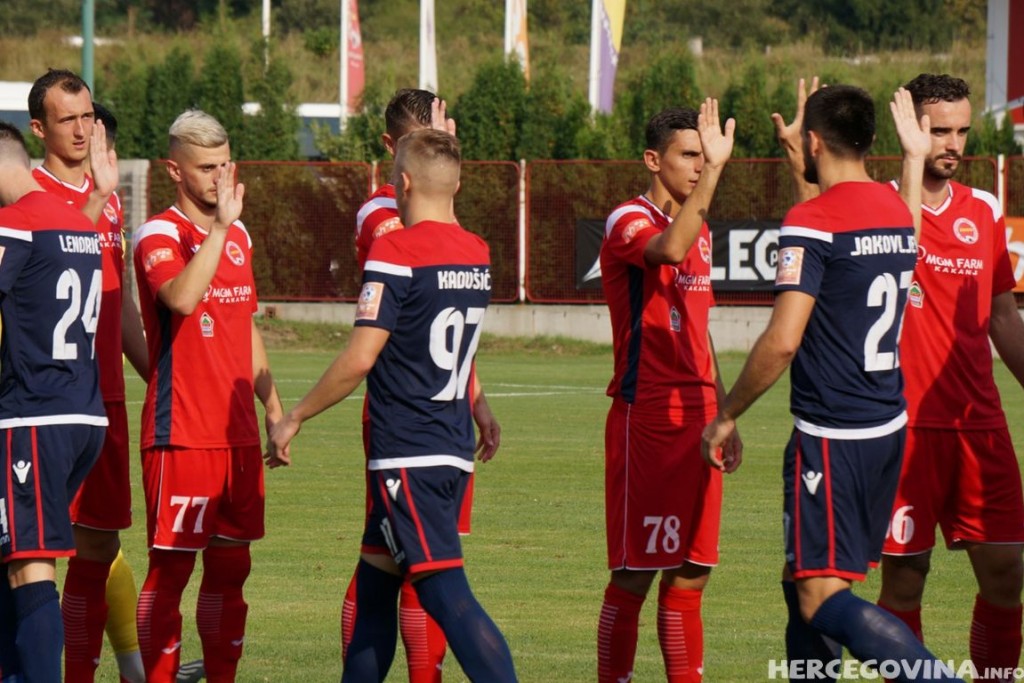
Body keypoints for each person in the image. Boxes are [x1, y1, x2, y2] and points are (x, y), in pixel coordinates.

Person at [702, 84, 963, 682]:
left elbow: (783, 339)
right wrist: (913, 159)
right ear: (871, 140)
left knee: (823, 598)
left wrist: (727, 413)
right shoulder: (897, 210)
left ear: (815, 140)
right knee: (805, 583)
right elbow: (892, 235)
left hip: (833, 435)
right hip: (886, 428)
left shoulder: (811, 221)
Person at [267, 128, 517, 682]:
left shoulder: (396, 249)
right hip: (450, 448)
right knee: (376, 593)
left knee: (447, 593)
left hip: (409, 451)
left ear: (401, 182)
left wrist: (295, 416)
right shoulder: (477, 252)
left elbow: (361, 358)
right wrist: (482, 406)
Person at [347, 87, 499, 683]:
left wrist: (296, 413)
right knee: (379, 581)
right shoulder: (389, 221)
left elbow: (371, 348)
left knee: (438, 588)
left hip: (415, 431)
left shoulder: (405, 238)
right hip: (422, 424)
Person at [877, 74, 1024, 680]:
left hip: (978, 424)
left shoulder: (984, 210)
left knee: (1008, 571)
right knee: (906, 579)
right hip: (904, 429)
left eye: (963, 131)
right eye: (940, 130)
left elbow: (1002, 316)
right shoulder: (881, 207)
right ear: (910, 128)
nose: (953, 143)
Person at [132, 109, 284, 682]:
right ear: (175, 170)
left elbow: (244, 325)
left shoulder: (239, 234)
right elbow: (180, 299)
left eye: (225, 165)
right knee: (169, 572)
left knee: (231, 570)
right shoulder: (160, 233)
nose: (218, 178)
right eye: (205, 168)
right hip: (182, 437)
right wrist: (218, 229)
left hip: (238, 436)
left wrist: (272, 410)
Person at [596, 100, 739, 683]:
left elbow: (700, 330)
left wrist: (727, 413)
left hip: (700, 415)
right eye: (690, 156)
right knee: (635, 573)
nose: (701, 167)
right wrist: (717, 179)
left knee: (692, 571)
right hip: (647, 417)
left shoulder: (699, 227)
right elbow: (669, 249)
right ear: (653, 160)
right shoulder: (627, 219)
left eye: (706, 158)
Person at [27, 69, 149, 683]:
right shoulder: (28, 197)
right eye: (67, 119)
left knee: (98, 549)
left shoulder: (110, 201)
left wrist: (156, 372)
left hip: (104, 399)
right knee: (32, 557)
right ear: (39, 128)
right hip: (44, 403)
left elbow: (118, 297)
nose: (81, 129)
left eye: (87, 116)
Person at [0, 120, 108, 682]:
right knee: (11, 556)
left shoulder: (14, 226)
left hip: (34, 415)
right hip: (82, 414)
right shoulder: (78, 224)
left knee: (29, 566)